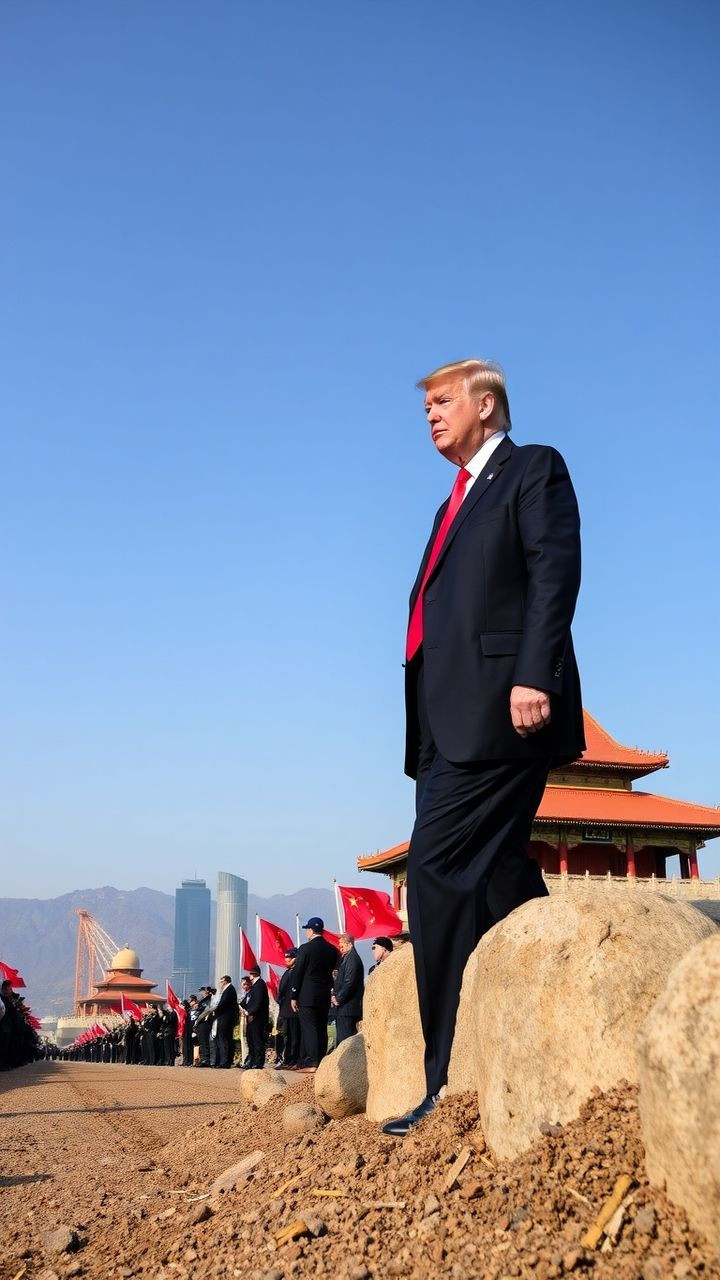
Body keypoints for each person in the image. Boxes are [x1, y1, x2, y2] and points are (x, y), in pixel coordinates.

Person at [383, 358, 583, 1138]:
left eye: (442, 401)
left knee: (434, 871)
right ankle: (567, 1007)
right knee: (498, 874)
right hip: (441, 724)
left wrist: (535, 673)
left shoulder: (532, 470)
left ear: (487, 403)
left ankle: (446, 1081)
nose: (430, 414)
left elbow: (553, 572)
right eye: (425, 407)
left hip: (504, 708)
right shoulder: (449, 503)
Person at [290, 917, 339, 1073]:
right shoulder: (332, 950)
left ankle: (312, 1062)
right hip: (324, 994)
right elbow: (335, 972)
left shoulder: (305, 948)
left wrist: (294, 995)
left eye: (307, 930)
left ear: (311, 930)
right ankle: (321, 1060)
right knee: (321, 1028)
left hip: (307, 995)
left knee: (309, 1028)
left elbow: (298, 972)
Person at [332, 934, 364, 1042]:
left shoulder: (352, 959)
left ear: (349, 944)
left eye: (342, 945)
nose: (340, 947)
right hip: (344, 1008)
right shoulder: (346, 958)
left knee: (346, 1041)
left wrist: (338, 998)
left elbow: (349, 982)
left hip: (348, 1008)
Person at [276, 949, 300, 1068]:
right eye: (285, 957)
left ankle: (294, 1059)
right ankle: (287, 1059)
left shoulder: (298, 971)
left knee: (295, 1035)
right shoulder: (287, 972)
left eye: (289, 957)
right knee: (287, 1036)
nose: (286, 959)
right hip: (285, 1009)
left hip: (294, 1009)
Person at [243, 966, 269, 1069]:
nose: (249, 975)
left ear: (254, 974)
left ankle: (258, 1062)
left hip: (258, 1018)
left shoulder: (260, 984)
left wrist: (249, 1011)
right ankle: (252, 1060)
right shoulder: (255, 985)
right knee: (251, 1040)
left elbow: (258, 1002)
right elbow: (249, 1001)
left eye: (250, 973)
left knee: (257, 1040)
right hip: (251, 1017)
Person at [212, 975, 239, 1069]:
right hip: (224, 1018)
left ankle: (225, 1062)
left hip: (226, 1018)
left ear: (226, 981)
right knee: (224, 1039)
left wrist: (215, 1010)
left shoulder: (229, 989)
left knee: (224, 1039)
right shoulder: (227, 990)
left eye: (221, 981)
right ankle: (225, 1061)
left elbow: (224, 1003)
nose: (220, 984)